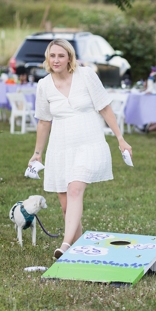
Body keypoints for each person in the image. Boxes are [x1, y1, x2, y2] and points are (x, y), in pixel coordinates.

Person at [29, 39, 132, 258]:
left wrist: (120, 138)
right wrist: (37, 154)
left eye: (61, 55)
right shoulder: (44, 85)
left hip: (89, 142)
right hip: (60, 147)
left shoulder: (86, 76)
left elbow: (104, 108)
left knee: (75, 189)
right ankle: (80, 250)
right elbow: (44, 122)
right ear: (48, 58)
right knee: (67, 207)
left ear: (69, 58)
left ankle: (65, 246)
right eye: (52, 56)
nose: (56, 60)